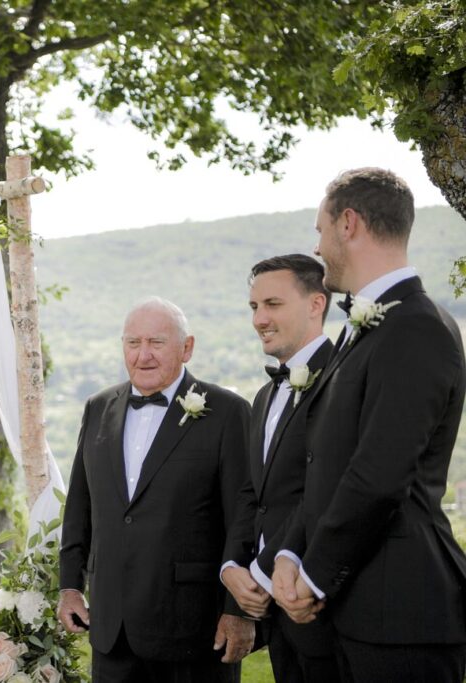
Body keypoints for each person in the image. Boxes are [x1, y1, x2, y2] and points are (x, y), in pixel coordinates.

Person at [272, 168, 466, 682]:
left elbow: (379, 475)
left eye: (320, 229)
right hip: (353, 609)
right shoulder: (363, 330)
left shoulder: (418, 328)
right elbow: (327, 462)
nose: (317, 246)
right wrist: (290, 551)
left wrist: (312, 574)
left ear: (349, 224)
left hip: (402, 613)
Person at [58, 297, 254, 682]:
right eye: (133, 343)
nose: (142, 355)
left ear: (187, 347)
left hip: (194, 630)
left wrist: (239, 611)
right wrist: (69, 585)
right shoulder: (98, 407)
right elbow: (80, 507)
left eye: (156, 342)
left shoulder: (228, 412)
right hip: (111, 629)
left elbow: (244, 518)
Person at [220, 254, 339, 682]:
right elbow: (254, 494)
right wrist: (232, 566)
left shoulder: (341, 381)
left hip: (325, 603)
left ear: (315, 304)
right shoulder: (264, 398)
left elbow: (323, 492)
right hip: (277, 614)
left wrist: (260, 571)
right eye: (254, 307)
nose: (260, 319)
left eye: (273, 304)